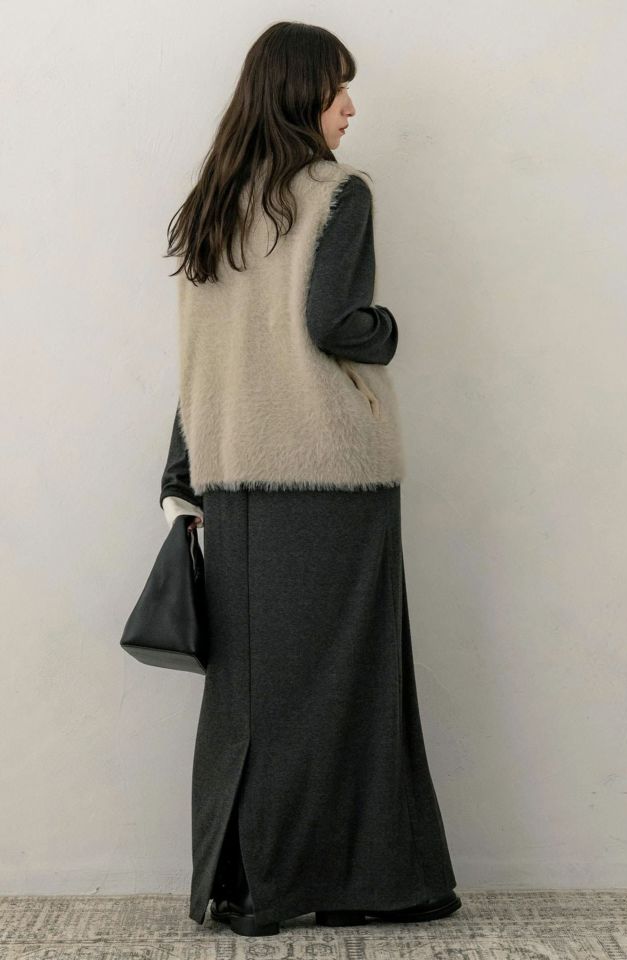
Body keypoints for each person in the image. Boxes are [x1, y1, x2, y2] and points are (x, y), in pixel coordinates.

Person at [159, 20, 460, 938]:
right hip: (331, 476)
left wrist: (182, 479)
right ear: (301, 97)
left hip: (232, 478)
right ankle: (357, 881)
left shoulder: (211, 208)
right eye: (337, 90)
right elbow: (336, 323)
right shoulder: (337, 194)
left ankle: (243, 884)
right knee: (348, 686)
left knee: (249, 694)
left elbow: (198, 359)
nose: (350, 108)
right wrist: (389, 330)